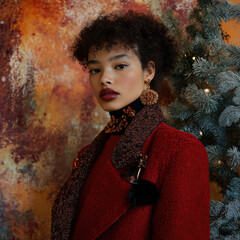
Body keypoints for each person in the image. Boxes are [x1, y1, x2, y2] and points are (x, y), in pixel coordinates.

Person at [51, 10, 210, 240]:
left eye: (120, 66)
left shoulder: (180, 150)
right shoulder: (86, 156)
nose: (104, 78)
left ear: (149, 72)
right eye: (95, 69)